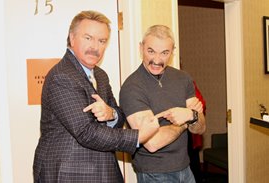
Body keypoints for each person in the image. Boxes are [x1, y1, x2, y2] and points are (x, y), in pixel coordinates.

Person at [33, 10, 159, 183]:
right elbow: (86, 132)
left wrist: (111, 114)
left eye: (102, 41)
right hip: (69, 173)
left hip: (103, 169)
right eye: (88, 38)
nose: (95, 46)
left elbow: (119, 115)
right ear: (72, 38)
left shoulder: (100, 75)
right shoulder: (61, 76)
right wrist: (137, 137)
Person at [119, 25, 206, 183]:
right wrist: (188, 119)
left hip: (186, 169)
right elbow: (152, 142)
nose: (157, 60)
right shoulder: (132, 87)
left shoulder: (183, 78)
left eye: (164, 53)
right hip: (154, 174)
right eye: (151, 51)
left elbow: (200, 128)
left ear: (172, 51)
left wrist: (192, 116)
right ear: (141, 48)